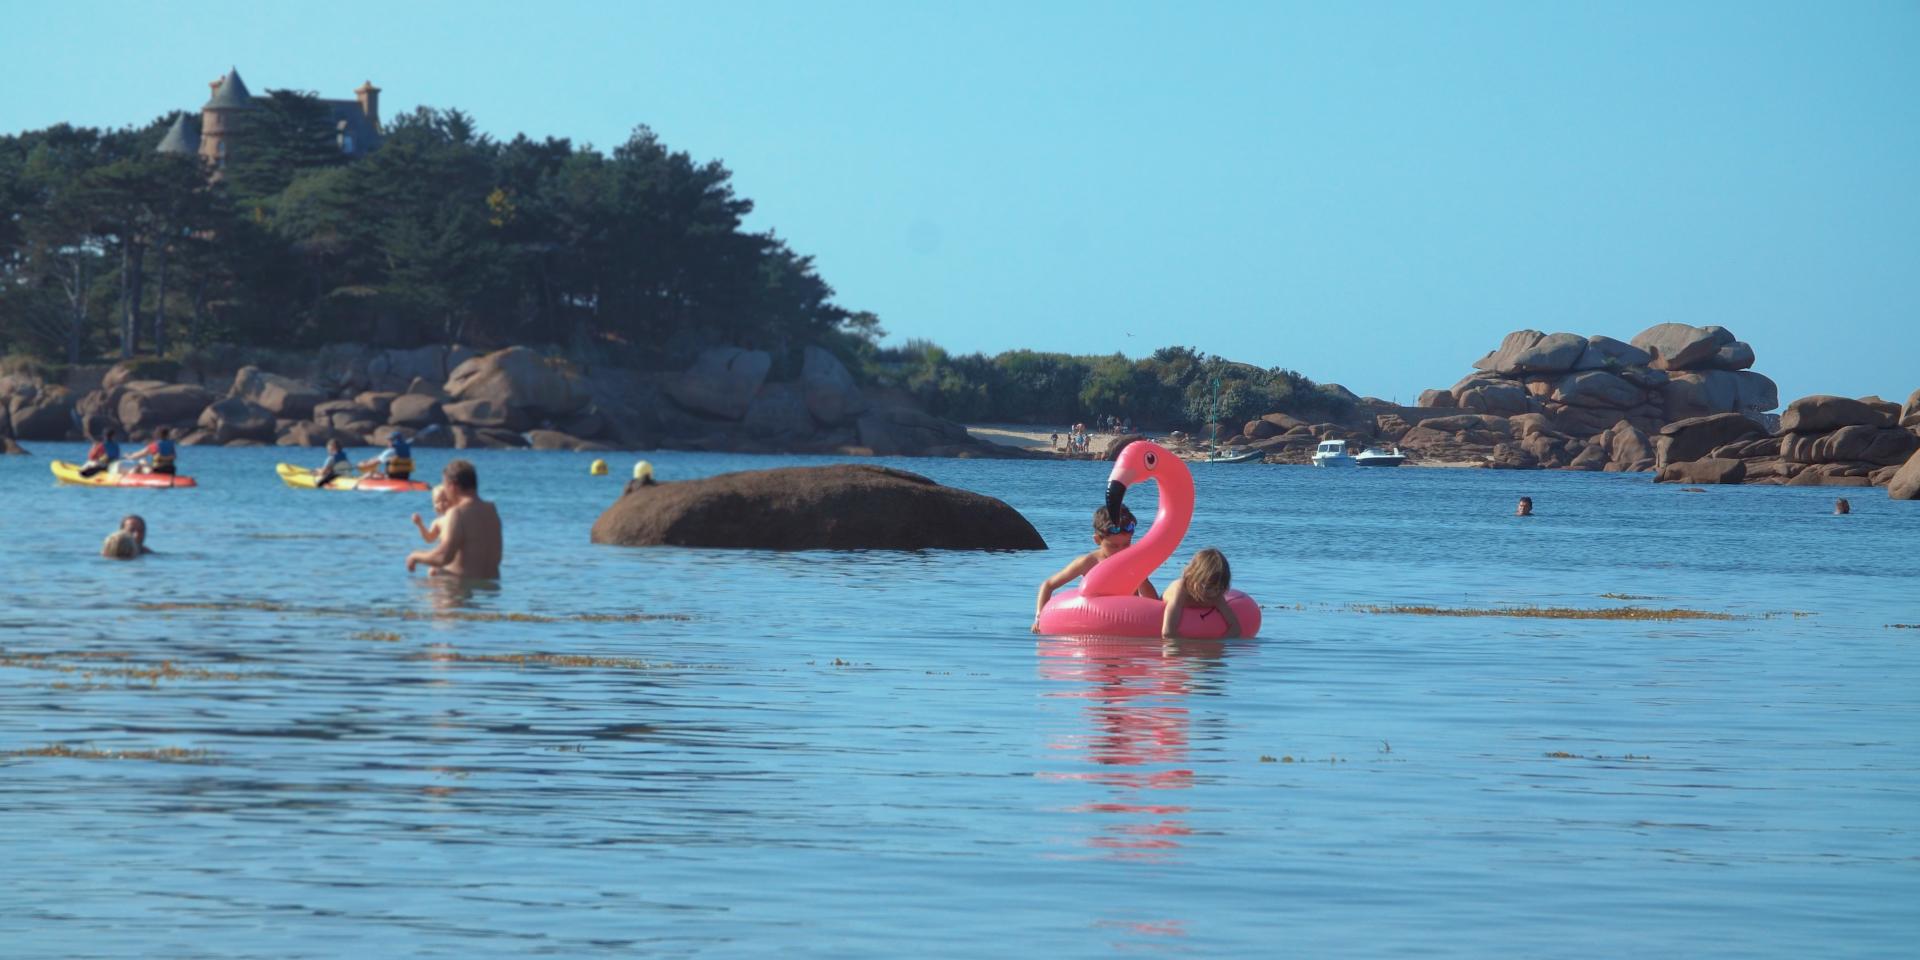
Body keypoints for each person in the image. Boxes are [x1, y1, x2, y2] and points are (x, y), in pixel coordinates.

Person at [1033, 504, 1159, 631]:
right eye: (1113, 546)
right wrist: (1039, 618)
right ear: (1097, 540)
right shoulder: (1088, 562)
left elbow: (1151, 599)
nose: (1121, 551)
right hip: (1095, 621)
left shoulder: (1133, 563)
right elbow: (1048, 585)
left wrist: (1139, 574)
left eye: (1126, 544)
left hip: (1127, 621)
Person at [406, 459, 502, 579]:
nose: (445, 492)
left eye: (445, 486)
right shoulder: (491, 509)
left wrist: (415, 556)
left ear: (453, 486)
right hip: (491, 589)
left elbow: (443, 557)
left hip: (457, 588)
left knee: (416, 588)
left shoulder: (457, 513)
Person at [1161, 547, 1241, 641]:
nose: (1213, 593)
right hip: (1159, 601)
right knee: (1151, 597)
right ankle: (1143, 581)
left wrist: (1219, 644)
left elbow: (1235, 628)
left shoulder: (1217, 596)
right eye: (1208, 587)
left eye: (1219, 588)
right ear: (1194, 577)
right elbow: (1168, 632)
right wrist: (1192, 647)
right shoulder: (1182, 589)